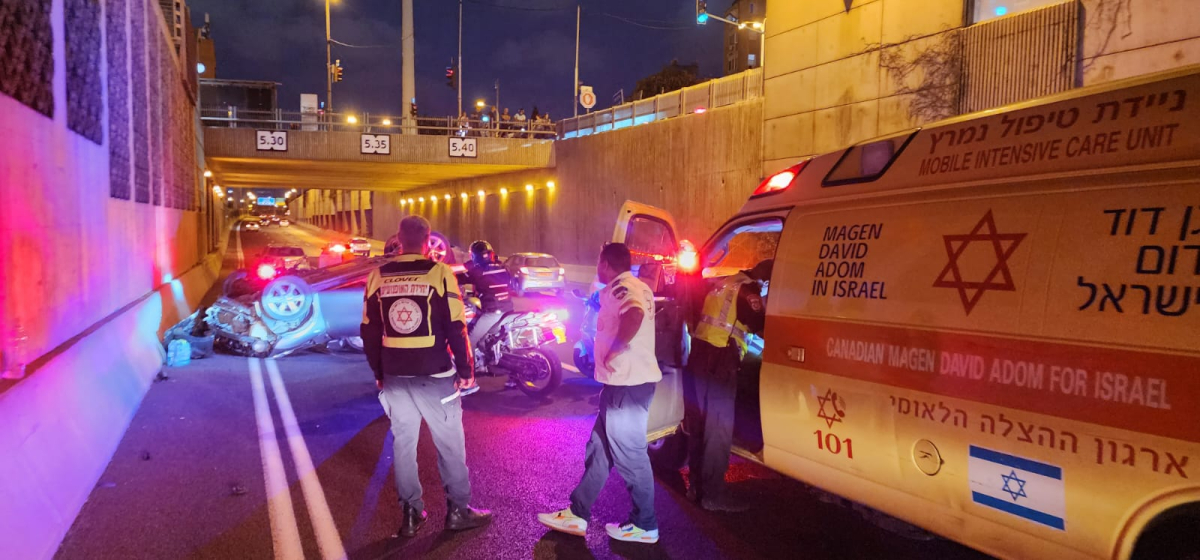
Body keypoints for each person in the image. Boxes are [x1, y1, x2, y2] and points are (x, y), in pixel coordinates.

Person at [361, 215, 492, 538]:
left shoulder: (377, 276)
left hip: (395, 375)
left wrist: (379, 372)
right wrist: (466, 370)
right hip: (435, 375)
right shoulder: (440, 273)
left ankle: (410, 513)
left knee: (403, 444)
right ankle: (458, 511)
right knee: (449, 445)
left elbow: (369, 331)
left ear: (398, 239)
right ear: (427, 240)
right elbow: (456, 325)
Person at [538, 243, 662, 544]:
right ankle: (577, 513)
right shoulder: (638, 286)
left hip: (627, 386)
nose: (597, 266)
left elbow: (633, 315)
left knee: (630, 454)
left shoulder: (622, 288)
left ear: (605, 263)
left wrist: (613, 351)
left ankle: (645, 524)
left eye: (598, 261)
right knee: (600, 449)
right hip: (624, 386)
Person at [683, 259, 772, 512]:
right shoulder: (749, 290)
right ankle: (713, 495)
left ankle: (695, 488)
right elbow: (761, 326)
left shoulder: (724, 283)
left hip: (699, 355)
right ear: (764, 279)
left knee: (700, 426)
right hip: (720, 360)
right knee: (718, 430)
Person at [463, 240, 514, 348]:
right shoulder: (502, 267)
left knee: (470, 341)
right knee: (484, 337)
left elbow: (458, 278)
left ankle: (472, 360)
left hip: (493, 311)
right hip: (508, 309)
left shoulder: (478, 271)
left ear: (475, 256)